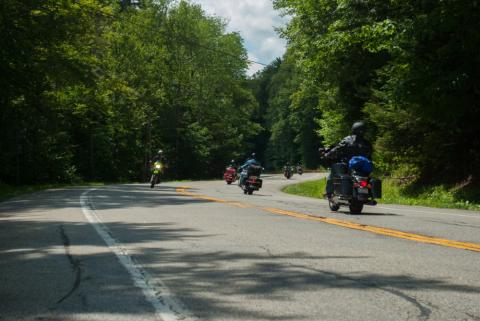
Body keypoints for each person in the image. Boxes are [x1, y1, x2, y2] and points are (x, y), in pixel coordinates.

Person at [319, 121, 372, 197]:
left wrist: (327, 154)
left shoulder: (348, 139)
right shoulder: (367, 143)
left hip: (347, 165)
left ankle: (329, 192)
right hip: (363, 168)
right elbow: (369, 156)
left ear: (353, 130)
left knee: (333, 171)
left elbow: (337, 149)